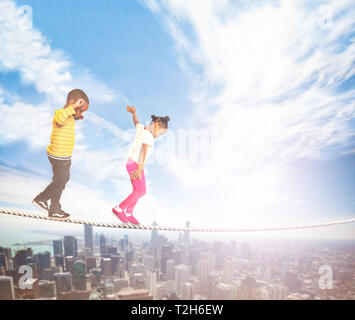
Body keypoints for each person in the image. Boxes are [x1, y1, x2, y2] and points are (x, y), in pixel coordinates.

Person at [32, 89, 89, 219]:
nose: (79, 112)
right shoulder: (60, 114)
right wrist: (73, 107)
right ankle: (42, 199)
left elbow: (67, 119)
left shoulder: (69, 116)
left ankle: (54, 208)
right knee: (60, 180)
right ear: (72, 103)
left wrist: (77, 116)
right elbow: (60, 119)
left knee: (61, 180)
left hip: (64, 156)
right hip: (59, 156)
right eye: (80, 110)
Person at [112, 105, 170, 225]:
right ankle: (119, 208)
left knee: (138, 190)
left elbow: (136, 122)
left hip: (131, 163)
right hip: (136, 164)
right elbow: (143, 151)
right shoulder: (149, 137)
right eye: (161, 133)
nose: (159, 136)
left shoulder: (142, 130)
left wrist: (134, 113)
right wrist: (139, 169)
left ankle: (128, 213)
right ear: (157, 124)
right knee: (141, 190)